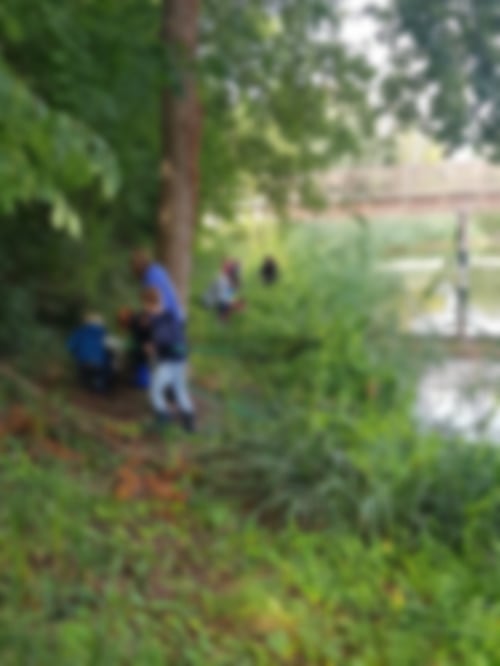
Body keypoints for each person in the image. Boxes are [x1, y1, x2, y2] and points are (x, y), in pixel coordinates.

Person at [142, 286, 196, 433]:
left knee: (155, 390)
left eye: (146, 305)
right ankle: (190, 424)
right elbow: (174, 335)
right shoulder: (172, 314)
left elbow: (163, 338)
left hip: (169, 360)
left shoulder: (158, 319)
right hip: (180, 356)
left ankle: (164, 417)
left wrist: (152, 347)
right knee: (179, 389)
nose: (145, 308)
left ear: (149, 303)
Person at [131, 249, 185, 322]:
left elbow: (155, 302)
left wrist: (146, 317)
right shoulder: (155, 269)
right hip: (175, 314)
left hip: (170, 317)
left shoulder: (150, 275)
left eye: (134, 266)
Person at [67, 313, 114, 393]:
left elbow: (71, 346)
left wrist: (78, 354)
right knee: (108, 360)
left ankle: (87, 383)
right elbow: (111, 348)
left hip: (83, 363)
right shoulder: (104, 333)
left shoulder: (79, 331)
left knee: (85, 372)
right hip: (99, 364)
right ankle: (101, 384)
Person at [117, 307, 152, 389]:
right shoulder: (135, 320)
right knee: (140, 361)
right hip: (143, 344)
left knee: (141, 361)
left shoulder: (135, 321)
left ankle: (143, 382)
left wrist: (146, 343)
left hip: (145, 344)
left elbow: (141, 333)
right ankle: (141, 380)